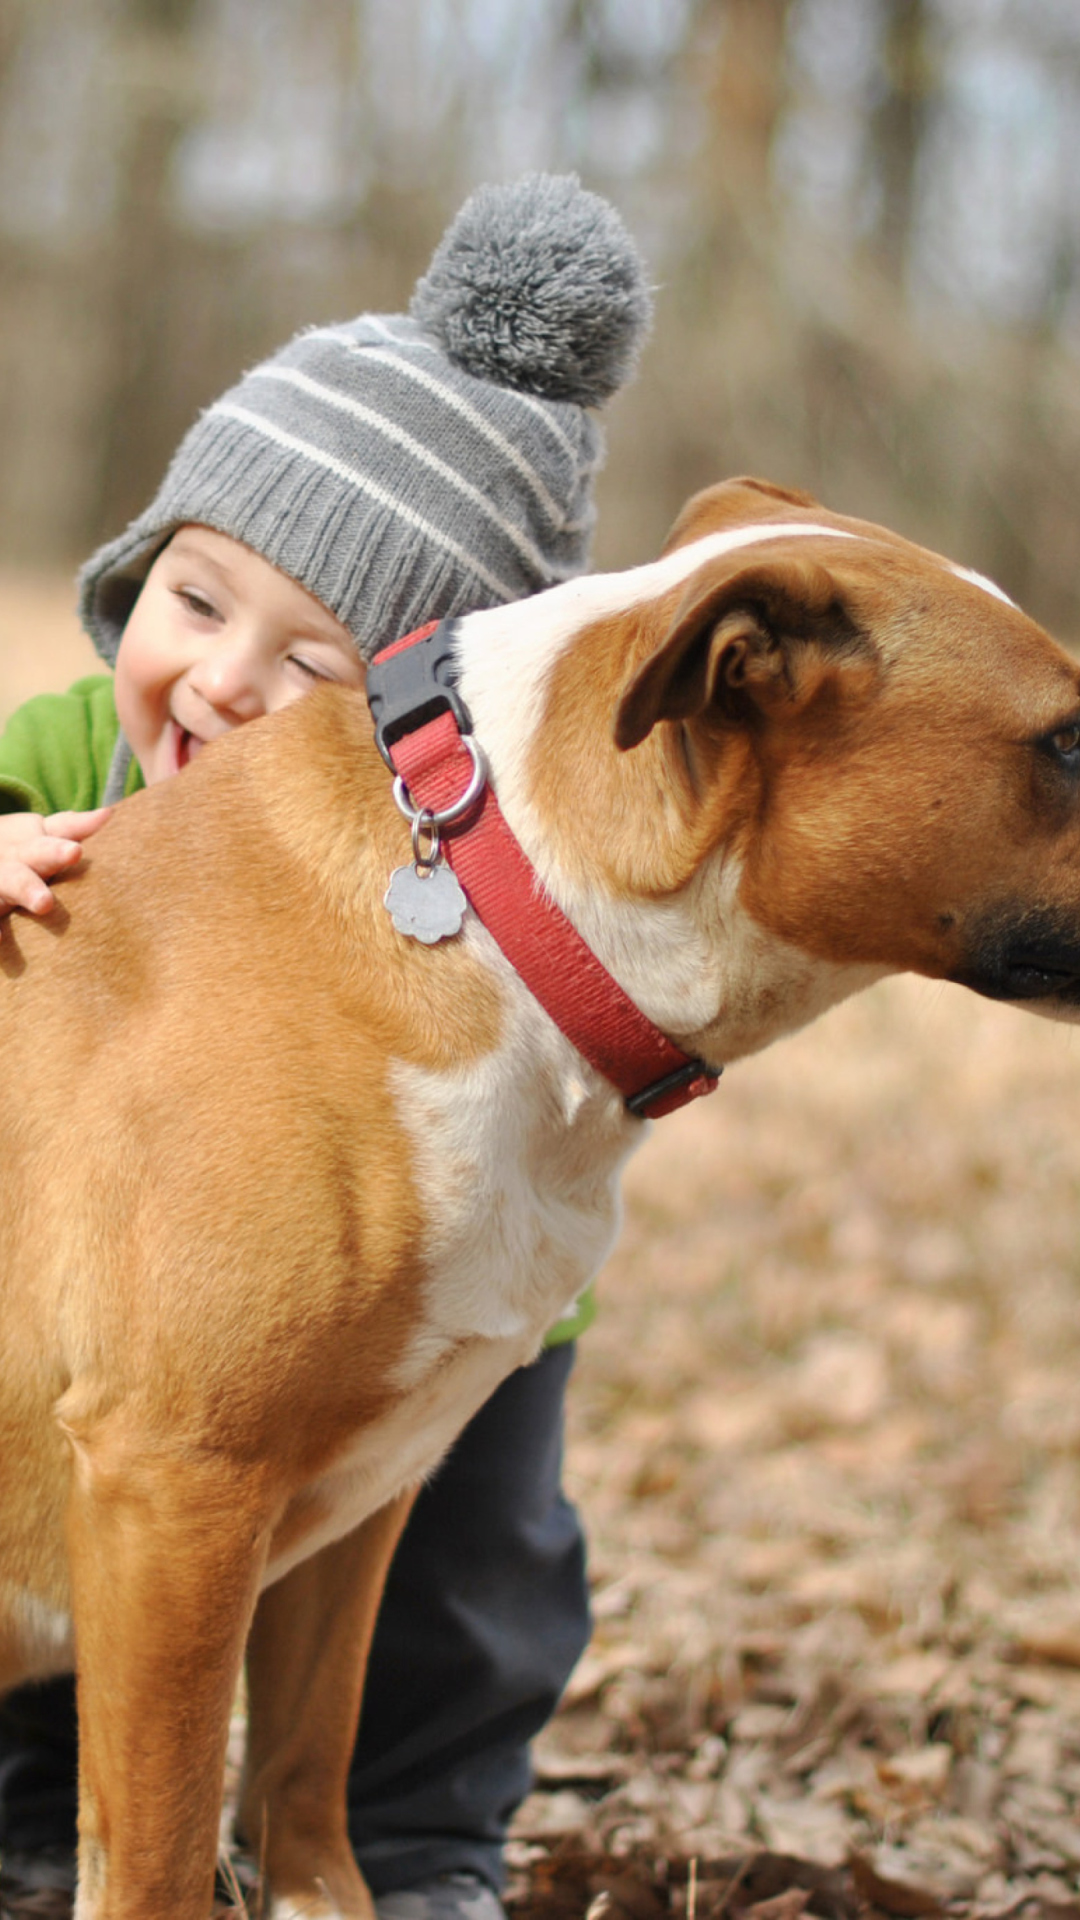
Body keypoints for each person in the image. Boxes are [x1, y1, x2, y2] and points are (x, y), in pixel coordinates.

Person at [0, 173, 652, 1920]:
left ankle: (422, 1837)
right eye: (196, 603)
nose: (217, 685)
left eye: (315, 668)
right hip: (119, 1289)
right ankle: (52, 1808)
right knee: (107, 1498)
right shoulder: (68, 752)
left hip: (425, 1271)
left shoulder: (459, 880)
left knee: (467, 1560)